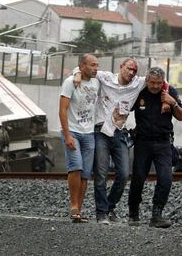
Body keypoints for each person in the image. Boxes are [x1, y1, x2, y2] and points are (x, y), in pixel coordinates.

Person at [74, 58, 171, 224]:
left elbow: (164, 82)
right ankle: (102, 213)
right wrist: (76, 74)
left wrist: (165, 99)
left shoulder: (139, 83)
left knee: (124, 174)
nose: (131, 73)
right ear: (121, 67)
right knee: (101, 174)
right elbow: (85, 70)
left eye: (134, 70)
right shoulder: (106, 77)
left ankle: (110, 206)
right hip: (101, 130)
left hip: (119, 132)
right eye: (129, 69)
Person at [128, 67, 182, 228]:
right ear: (147, 81)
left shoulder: (169, 91)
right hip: (142, 142)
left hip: (163, 143)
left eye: (159, 83)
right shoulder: (140, 92)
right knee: (138, 179)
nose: (155, 86)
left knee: (166, 179)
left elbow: (180, 116)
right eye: (152, 83)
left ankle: (157, 214)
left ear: (163, 82)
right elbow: (124, 106)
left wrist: (172, 102)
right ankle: (133, 213)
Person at [59, 54, 100, 223]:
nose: (96, 68)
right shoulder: (70, 82)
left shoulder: (97, 82)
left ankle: (79, 210)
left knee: (85, 174)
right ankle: (73, 205)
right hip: (73, 132)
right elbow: (62, 110)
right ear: (82, 66)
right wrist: (67, 135)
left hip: (89, 133)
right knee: (75, 167)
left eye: (97, 65)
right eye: (92, 65)